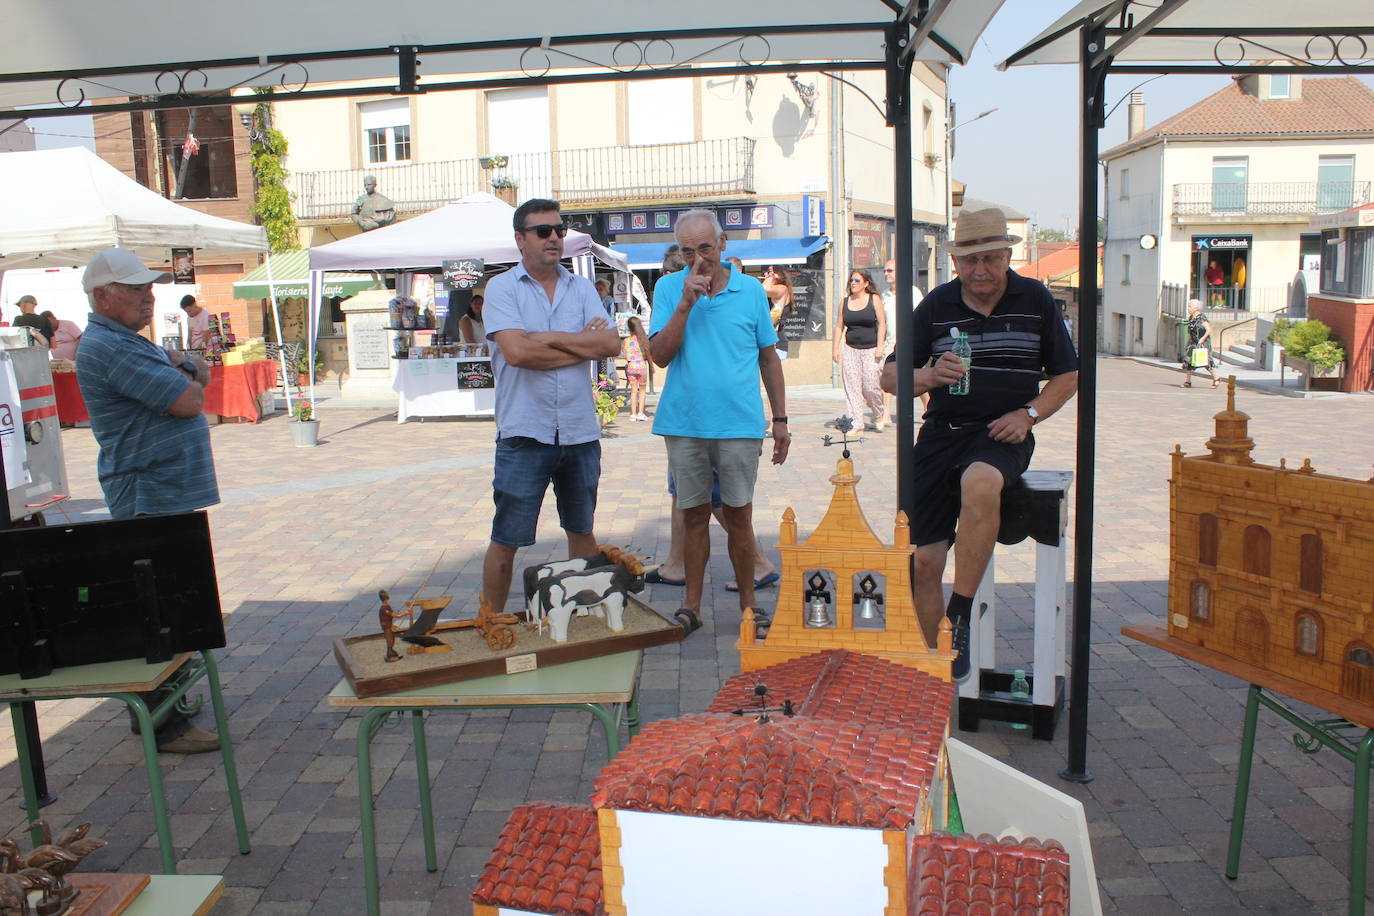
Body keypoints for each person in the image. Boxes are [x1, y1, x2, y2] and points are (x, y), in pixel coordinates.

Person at [880, 208, 1078, 681]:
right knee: (923, 563)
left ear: (1009, 256)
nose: (980, 270)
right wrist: (926, 376)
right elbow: (889, 376)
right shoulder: (935, 304)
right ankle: (935, 664)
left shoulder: (1035, 299)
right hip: (939, 434)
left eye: (990, 259)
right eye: (969, 261)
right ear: (956, 263)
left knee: (982, 481)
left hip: (1000, 432)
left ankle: (962, 613)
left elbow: (1067, 375)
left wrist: (1028, 415)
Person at [76, 247, 222, 754]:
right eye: (137, 289)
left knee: (172, 601)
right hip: (149, 491)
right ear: (103, 296)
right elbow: (190, 397)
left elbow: (198, 375)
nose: (149, 295)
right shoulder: (112, 347)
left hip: (162, 488)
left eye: (148, 286)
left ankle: (172, 706)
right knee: (161, 608)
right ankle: (164, 723)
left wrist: (182, 366)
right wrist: (183, 368)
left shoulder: (126, 342)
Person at [648, 209, 790, 636]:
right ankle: (691, 606)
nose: (698, 260)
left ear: (723, 244)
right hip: (685, 422)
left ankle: (749, 605)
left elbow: (769, 358)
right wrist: (686, 305)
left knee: (739, 517)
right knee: (692, 515)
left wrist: (780, 419)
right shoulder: (669, 288)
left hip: (739, 423)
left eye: (705, 248)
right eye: (688, 251)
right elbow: (659, 355)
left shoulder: (749, 291)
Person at [480, 199, 622, 616]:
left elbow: (610, 345)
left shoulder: (581, 287)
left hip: (579, 431)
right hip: (525, 432)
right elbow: (517, 354)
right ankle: (489, 621)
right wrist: (578, 345)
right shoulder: (502, 288)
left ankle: (592, 618)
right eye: (543, 231)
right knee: (506, 537)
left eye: (559, 230)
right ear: (520, 239)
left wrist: (542, 338)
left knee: (582, 531)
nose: (554, 238)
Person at [834, 269, 888, 432]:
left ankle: (878, 413)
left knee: (871, 386)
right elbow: (839, 326)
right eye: (851, 280)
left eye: (857, 280)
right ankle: (857, 422)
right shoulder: (845, 302)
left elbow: (882, 324)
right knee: (852, 387)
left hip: (871, 349)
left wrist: (880, 346)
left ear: (866, 283)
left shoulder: (874, 299)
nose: (853, 283)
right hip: (850, 349)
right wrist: (835, 348)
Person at [882, 258, 926, 420]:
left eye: (890, 271)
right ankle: (886, 414)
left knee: (916, 380)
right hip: (891, 342)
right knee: (886, 376)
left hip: (910, 343)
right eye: (885, 271)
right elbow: (883, 321)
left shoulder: (913, 292)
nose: (886, 274)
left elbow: (921, 317)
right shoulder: (884, 295)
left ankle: (928, 408)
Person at [1182, 298, 1218, 389]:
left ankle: (1216, 378)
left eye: (1189, 306)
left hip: (1203, 343)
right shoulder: (1191, 318)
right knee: (1188, 361)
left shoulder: (1201, 317)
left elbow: (1209, 329)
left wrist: (1202, 339)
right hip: (1193, 343)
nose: (1188, 308)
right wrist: (1188, 344)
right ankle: (1188, 382)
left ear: (1195, 308)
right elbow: (1190, 332)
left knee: (1205, 362)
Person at [762, 265, 794, 360]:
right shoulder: (780, 289)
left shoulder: (782, 288)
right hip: (770, 342)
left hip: (776, 345)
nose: (767, 274)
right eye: (768, 272)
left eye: (772, 272)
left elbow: (764, 289)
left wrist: (769, 278)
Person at [622, 315, 650, 421]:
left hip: (631, 365)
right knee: (642, 391)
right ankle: (641, 413)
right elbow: (647, 353)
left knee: (633, 391)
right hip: (641, 365)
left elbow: (625, 354)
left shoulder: (626, 340)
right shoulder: (643, 339)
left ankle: (633, 414)